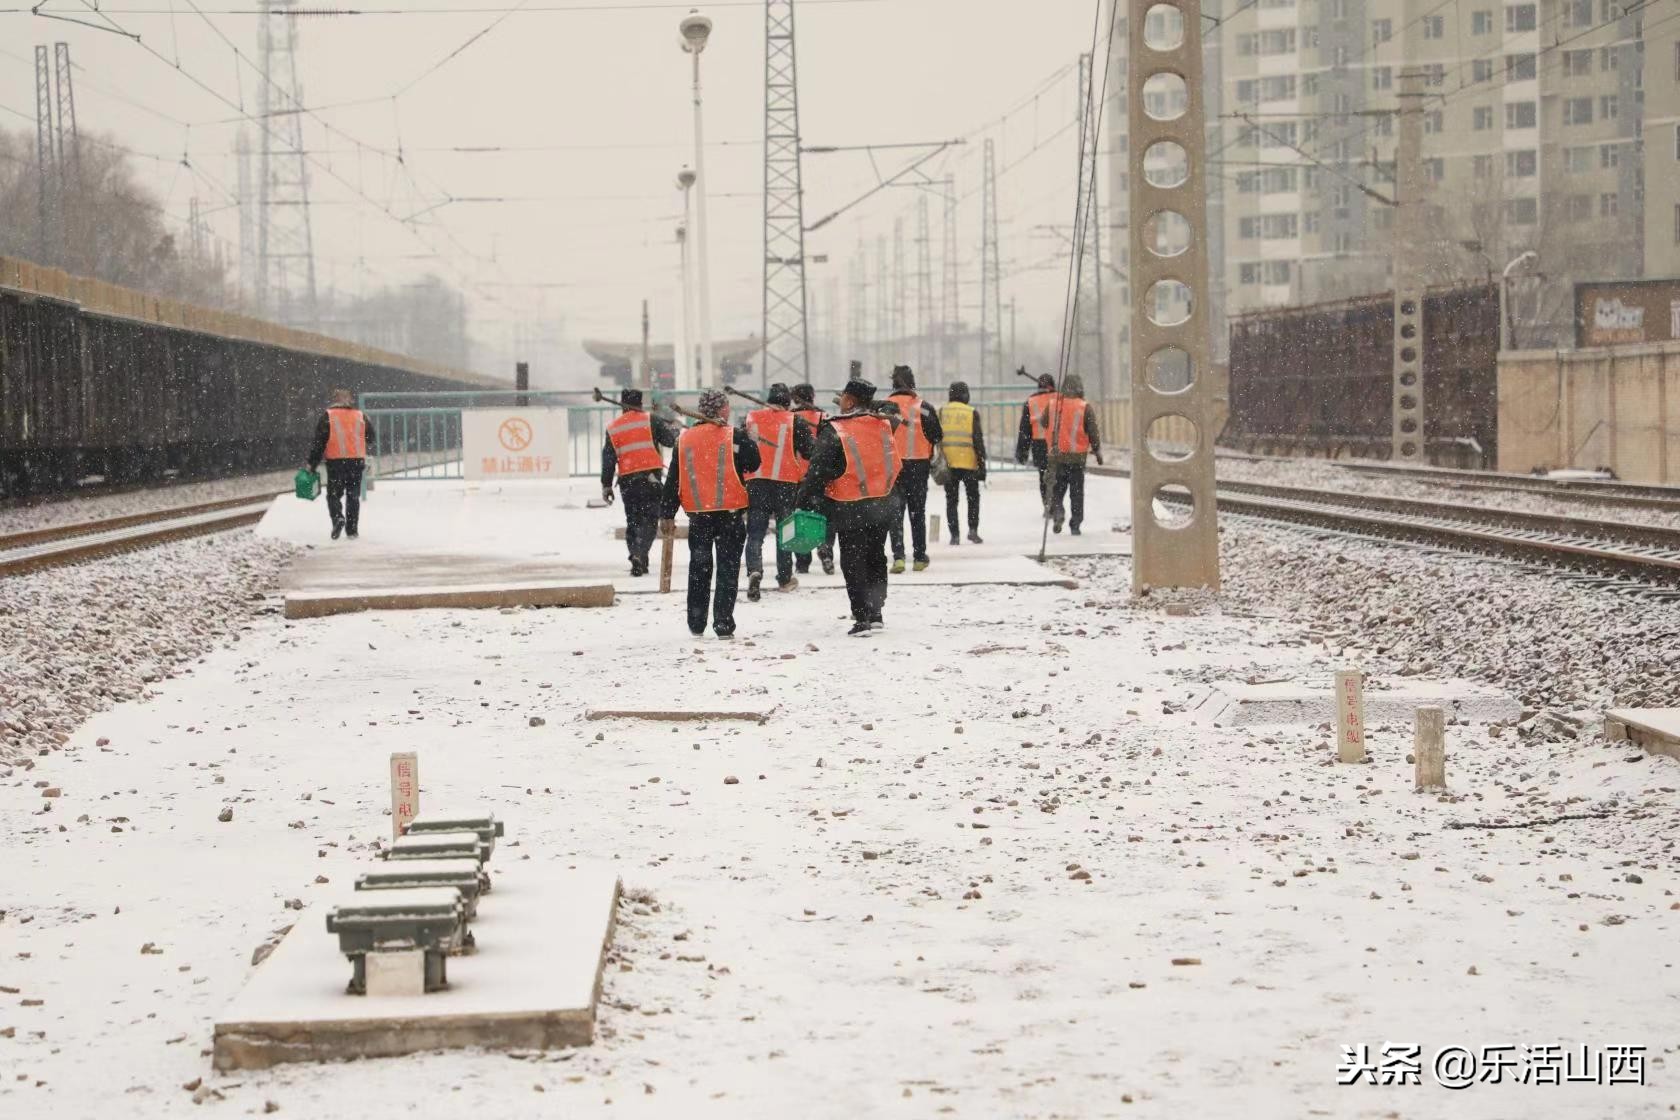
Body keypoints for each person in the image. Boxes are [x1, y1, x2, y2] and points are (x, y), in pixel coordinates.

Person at [793, 375, 900, 636]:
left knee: (853, 560)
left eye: (843, 396)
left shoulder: (836, 430)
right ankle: (876, 612)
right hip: (882, 501)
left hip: (849, 504)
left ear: (850, 400)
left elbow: (817, 471)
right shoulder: (883, 426)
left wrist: (803, 501)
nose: (839, 400)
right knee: (876, 555)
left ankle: (862, 615)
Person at [659, 389, 760, 639]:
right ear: (721, 409)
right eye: (726, 406)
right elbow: (754, 463)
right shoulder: (733, 436)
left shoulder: (684, 440)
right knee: (727, 569)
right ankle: (723, 622)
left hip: (699, 515)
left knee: (699, 567)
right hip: (730, 513)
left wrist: (667, 513)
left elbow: (673, 480)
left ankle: (696, 621)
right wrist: (751, 439)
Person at [741, 383, 816, 601]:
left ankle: (754, 570)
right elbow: (809, 451)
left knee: (755, 533)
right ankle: (784, 578)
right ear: (788, 402)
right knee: (785, 532)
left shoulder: (751, 418)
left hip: (756, 482)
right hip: (785, 483)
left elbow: (742, 447)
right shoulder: (795, 421)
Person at [601, 388, 678, 577]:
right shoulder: (650, 419)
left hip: (627, 481)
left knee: (633, 520)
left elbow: (608, 458)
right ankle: (641, 554)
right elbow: (669, 441)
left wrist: (606, 485)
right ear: (640, 403)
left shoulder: (614, 427)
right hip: (650, 478)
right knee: (650, 520)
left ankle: (635, 553)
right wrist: (673, 428)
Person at [884, 365, 943, 573]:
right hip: (918, 466)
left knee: (895, 513)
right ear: (912, 382)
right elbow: (937, 435)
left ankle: (898, 557)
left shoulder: (884, 407)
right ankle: (919, 557)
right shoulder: (924, 407)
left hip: (892, 466)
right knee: (917, 512)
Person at [306, 388, 376, 541]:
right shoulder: (360, 415)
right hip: (356, 462)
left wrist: (312, 464)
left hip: (336, 462)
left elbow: (319, 444)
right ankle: (352, 531)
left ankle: (338, 518)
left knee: (333, 495)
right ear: (350, 400)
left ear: (333, 400)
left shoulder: (327, 416)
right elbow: (371, 438)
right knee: (353, 496)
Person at [1045, 374, 1103, 535]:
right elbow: (1093, 431)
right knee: (1076, 492)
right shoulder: (1084, 407)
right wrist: (1097, 450)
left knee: (1056, 490)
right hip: (1077, 458)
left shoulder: (1052, 404)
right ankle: (1075, 524)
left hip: (1056, 457)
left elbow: (1044, 422)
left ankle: (1058, 513)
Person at [790, 383, 836, 577]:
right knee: (825, 515)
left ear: (794, 399)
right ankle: (825, 549)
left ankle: (802, 560)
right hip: (820, 475)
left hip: (796, 475)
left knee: (802, 517)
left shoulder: (789, 419)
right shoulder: (822, 418)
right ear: (813, 397)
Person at [938, 381, 987, 545]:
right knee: (973, 497)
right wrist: (982, 463)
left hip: (948, 463)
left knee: (951, 499)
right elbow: (978, 440)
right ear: (966, 395)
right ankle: (973, 530)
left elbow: (936, 438)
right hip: (969, 462)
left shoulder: (942, 412)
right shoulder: (971, 412)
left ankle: (954, 535)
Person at [1015, 371, 1059, 519]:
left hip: (1039, 443)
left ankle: (1047, 504)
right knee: (1059, 474)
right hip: (1057, 442)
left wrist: (1022, 451)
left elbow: (1025, 430)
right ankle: (1057, 504)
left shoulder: (1031, 401)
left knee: (1043, 476)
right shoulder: (1060, 398)